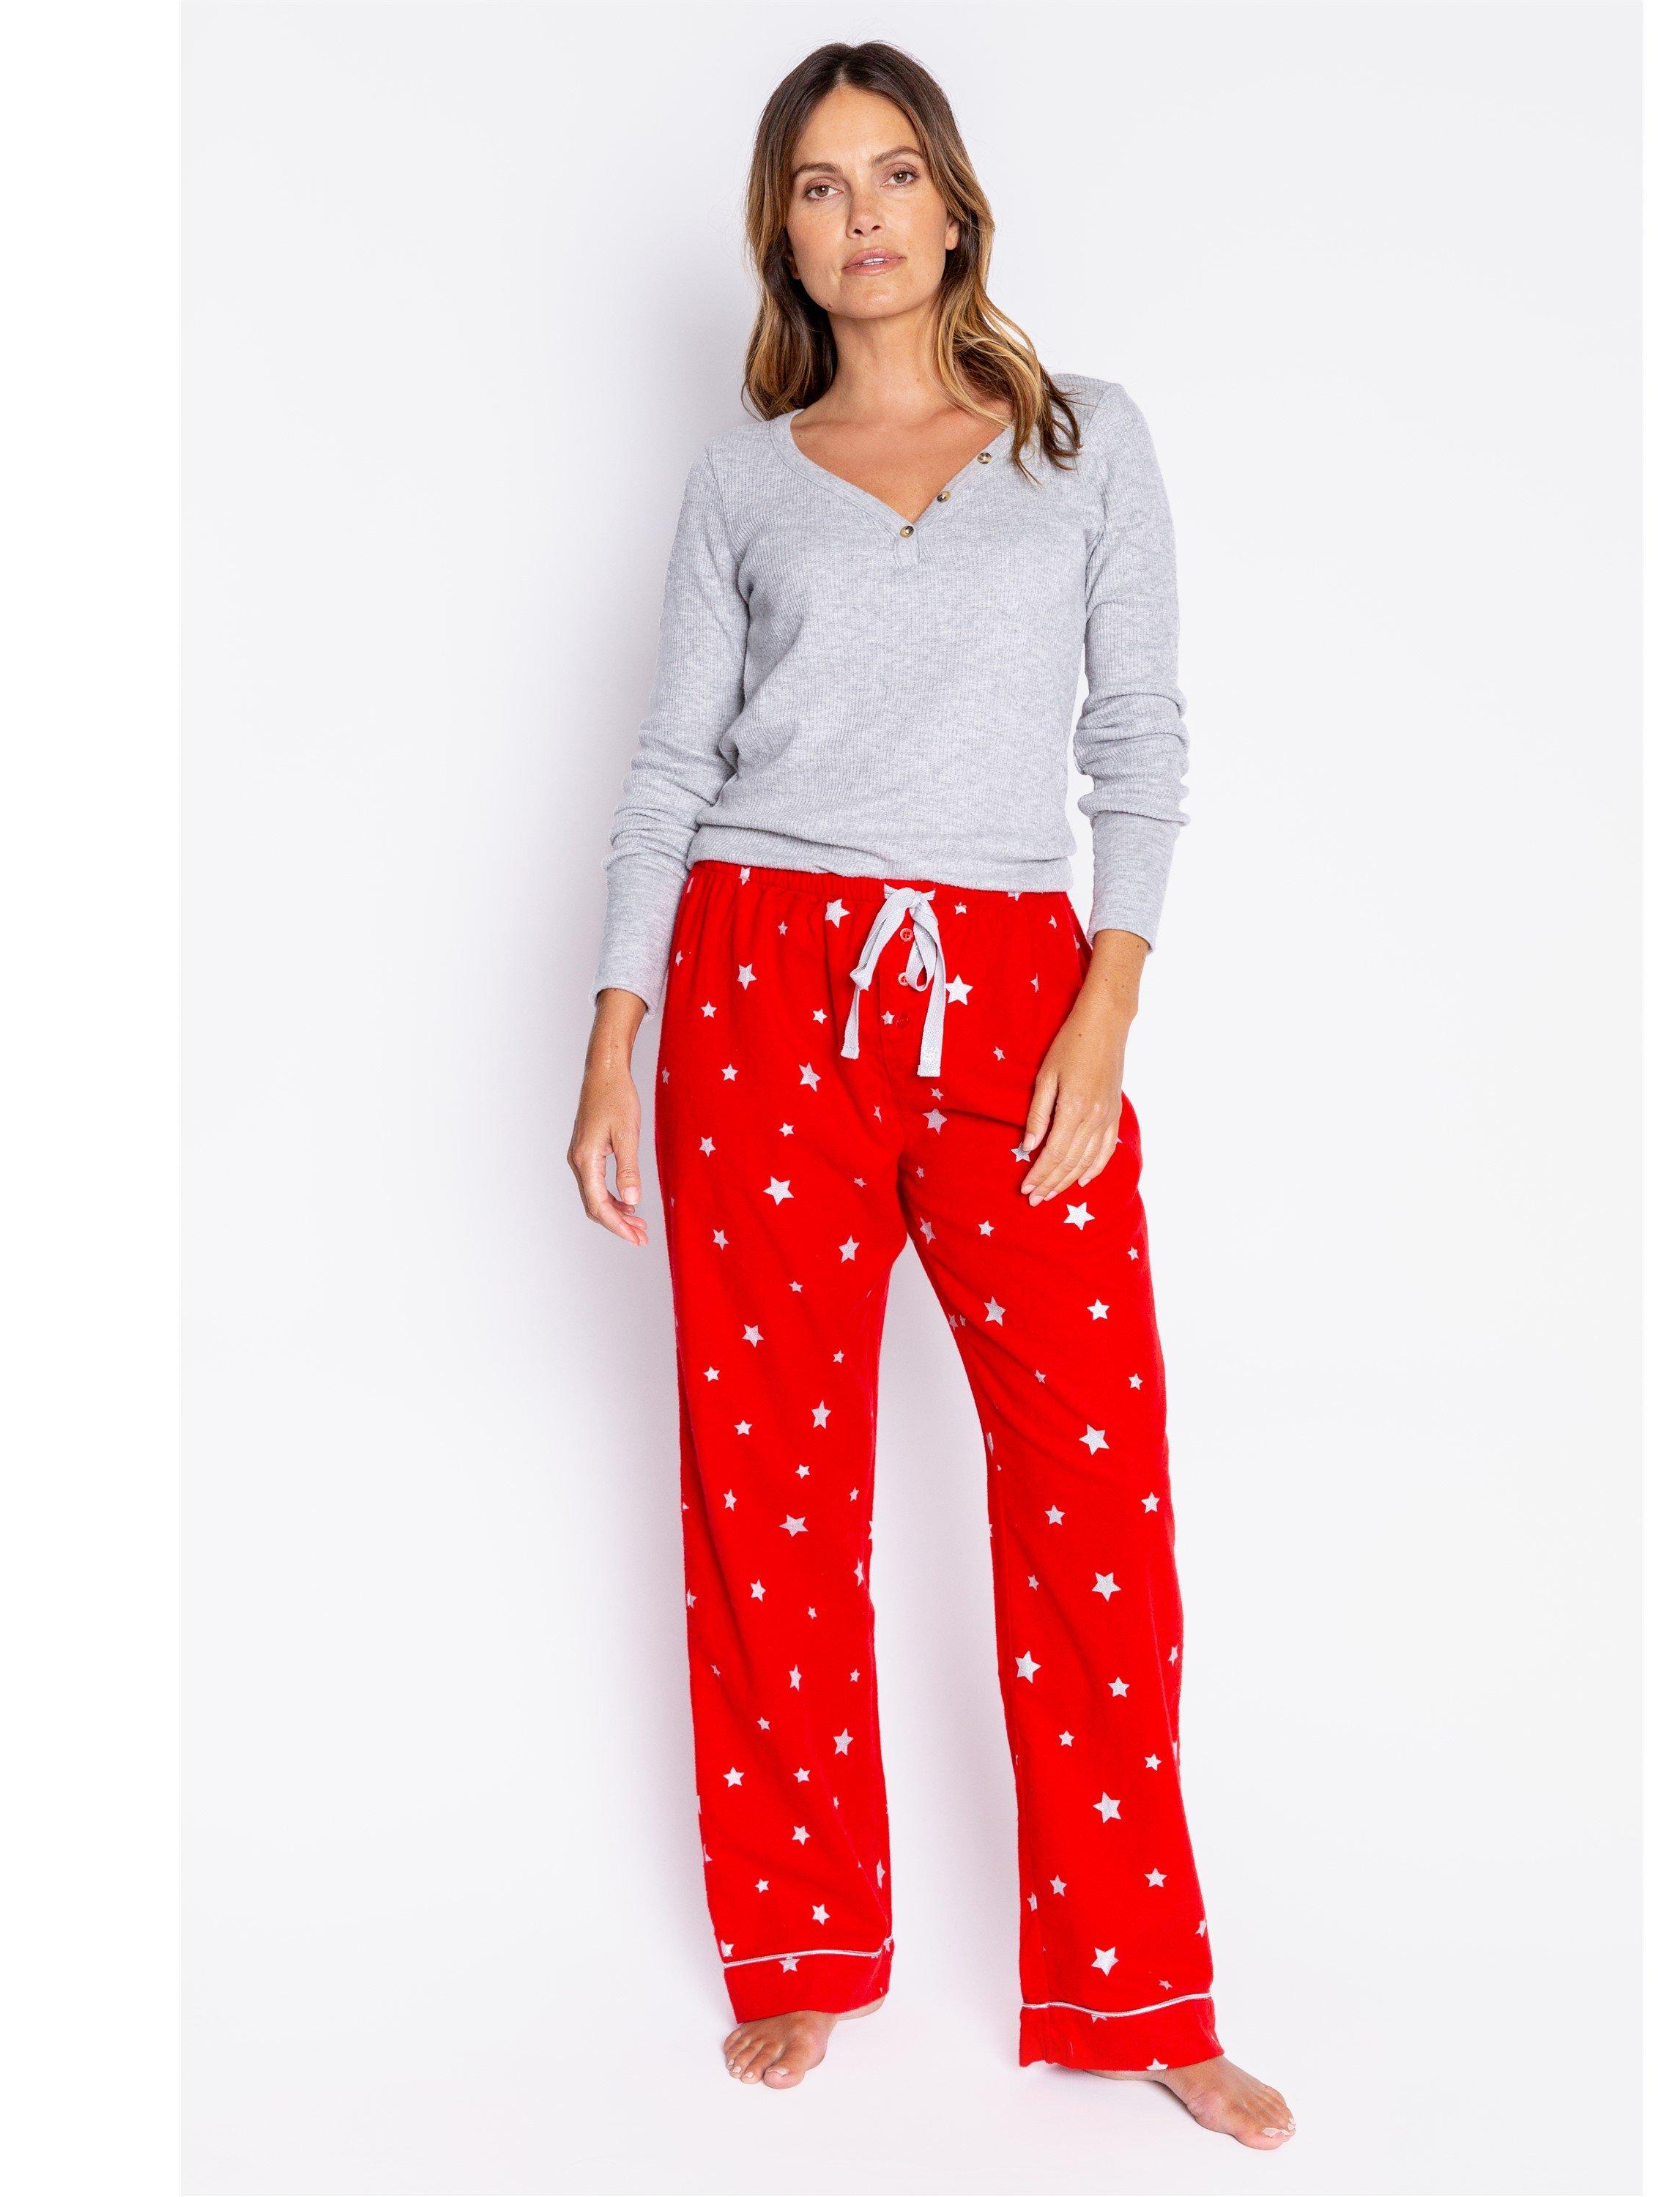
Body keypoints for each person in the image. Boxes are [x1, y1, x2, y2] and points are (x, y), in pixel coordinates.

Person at [568, 40, 1293, 2153]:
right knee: (767, 1491)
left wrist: (1104, 1008)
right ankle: (800, 1947)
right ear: (783, 233)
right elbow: (670, 763)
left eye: (895, 174)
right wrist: (617, 1027)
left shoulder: (1082, 443)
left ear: (956, 207)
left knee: (1094, 1490)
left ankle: (1136, 1985)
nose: (863, 214)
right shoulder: (743, 483)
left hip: (1009, 996)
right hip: (756, 989)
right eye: (820, 185)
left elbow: (1139, 737)